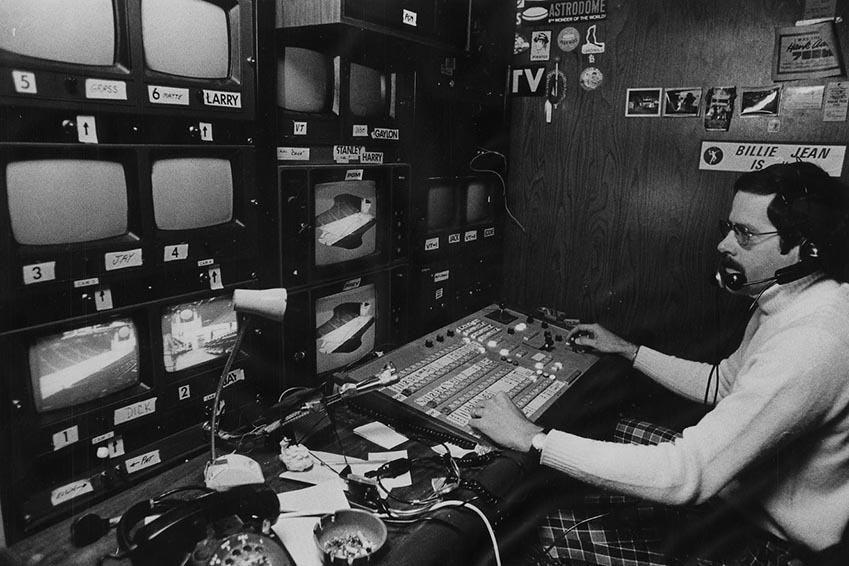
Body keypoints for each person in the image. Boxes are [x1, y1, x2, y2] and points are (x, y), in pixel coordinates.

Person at [468, 161, 849, 566]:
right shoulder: (792, 296)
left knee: (537, 528)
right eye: (729, 227)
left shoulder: (811, 340)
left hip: (765, 543)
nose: (724, 245)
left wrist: (533, 438)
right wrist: (629, 351)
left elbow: (688, 474)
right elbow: (721, 383)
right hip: (742, 496)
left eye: (745, 234)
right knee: (617, 430)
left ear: (806, 249)